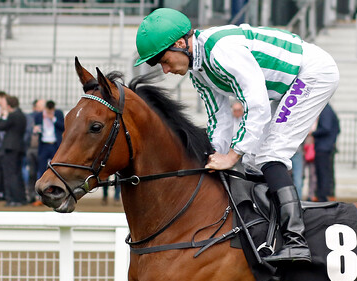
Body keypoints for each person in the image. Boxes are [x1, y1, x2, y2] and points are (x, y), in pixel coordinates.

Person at [135, 8, 340, 263]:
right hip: (283, 87)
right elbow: (219, 120)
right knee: (253, 159)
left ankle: (296, 242)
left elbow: (255, 104)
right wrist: (214, 156)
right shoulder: (199, 73)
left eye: (163, 60)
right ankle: (266, 231)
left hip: (311, 73)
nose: (165, 70)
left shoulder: (221, 51)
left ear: (180, 44)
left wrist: (232, 155)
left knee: (271, 155)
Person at [0, 95, 27, 207]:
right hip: (19, 147)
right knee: (17, 173)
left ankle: (12, 198)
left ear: (8, 105)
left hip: (10, 148)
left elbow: (0, 127)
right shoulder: (21, 115)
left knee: (10, 174)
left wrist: (3, 116)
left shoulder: (12, 115)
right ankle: (21, 198)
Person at [34, 100, 64, 193]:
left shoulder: (58, 114)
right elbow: (36, 128)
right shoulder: (39, 115)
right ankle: (42, 191)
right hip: (43, 145)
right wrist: (36, 130)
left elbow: (63, 127)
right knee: (41, 168)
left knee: (56, 169)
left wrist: (53, 119)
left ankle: (57, 190)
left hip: (55, 144)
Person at [312, 102, 340, 202]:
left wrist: (313, 133)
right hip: (327, 146)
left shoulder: (325, 109)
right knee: (326, 173)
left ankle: (323, 197)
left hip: (323, 147)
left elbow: (325, 128)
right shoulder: (329, 109)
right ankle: (324, 195)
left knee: (323, 173)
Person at [24, 99, 46, 204]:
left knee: (41, 173)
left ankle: (40, 196)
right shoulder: (30, 117)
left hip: (41, 148)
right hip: (30, 148)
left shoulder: (45, 118)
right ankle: (30, 194)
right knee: (31, 173)